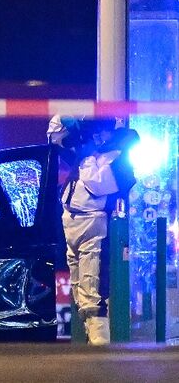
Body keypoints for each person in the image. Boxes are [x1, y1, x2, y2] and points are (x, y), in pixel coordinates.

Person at [47, 115, 138, 345]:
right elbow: (54, 136)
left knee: (93, 290)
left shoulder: (118, 156)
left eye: (101, 130)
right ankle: (92, 341)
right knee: (78, 290)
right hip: (71, 222)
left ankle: (100, 344)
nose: (97, 135)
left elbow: (98, 184)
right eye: (94, 129)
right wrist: (70, 120)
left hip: (93, 224)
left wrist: (86, 155)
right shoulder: (91, 149)